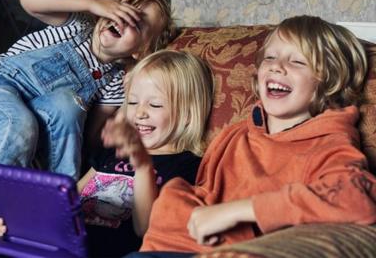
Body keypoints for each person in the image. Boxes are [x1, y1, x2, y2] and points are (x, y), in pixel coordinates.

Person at [0, 0, 174, 256]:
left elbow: (86, 139)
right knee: (20, 122)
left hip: (36, 120)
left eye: (135, 23)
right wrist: (93, 4)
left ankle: (56, 224)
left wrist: (133, 75)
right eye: (121, 7)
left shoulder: (115, 82)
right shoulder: (76, 27)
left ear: (142, 49)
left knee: (70, 105)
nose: (121, 18)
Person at [133, 15, 376, 256]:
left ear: (328, 81)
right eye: (270, 57)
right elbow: (203, 197)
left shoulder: (329, 143)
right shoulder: (234, 135)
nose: (276, 66)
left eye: (297, 62)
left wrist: (241, 211)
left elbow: (357, 199)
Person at [0, 50, 215, 257]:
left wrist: (143, 165)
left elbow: (146, 230)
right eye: (132, 103)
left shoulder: (188, 167)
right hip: (63, 246)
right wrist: (15, 217)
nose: (140, 113)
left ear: (187, 113)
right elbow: (70, 200)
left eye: (154, 105)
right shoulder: (112, 153)